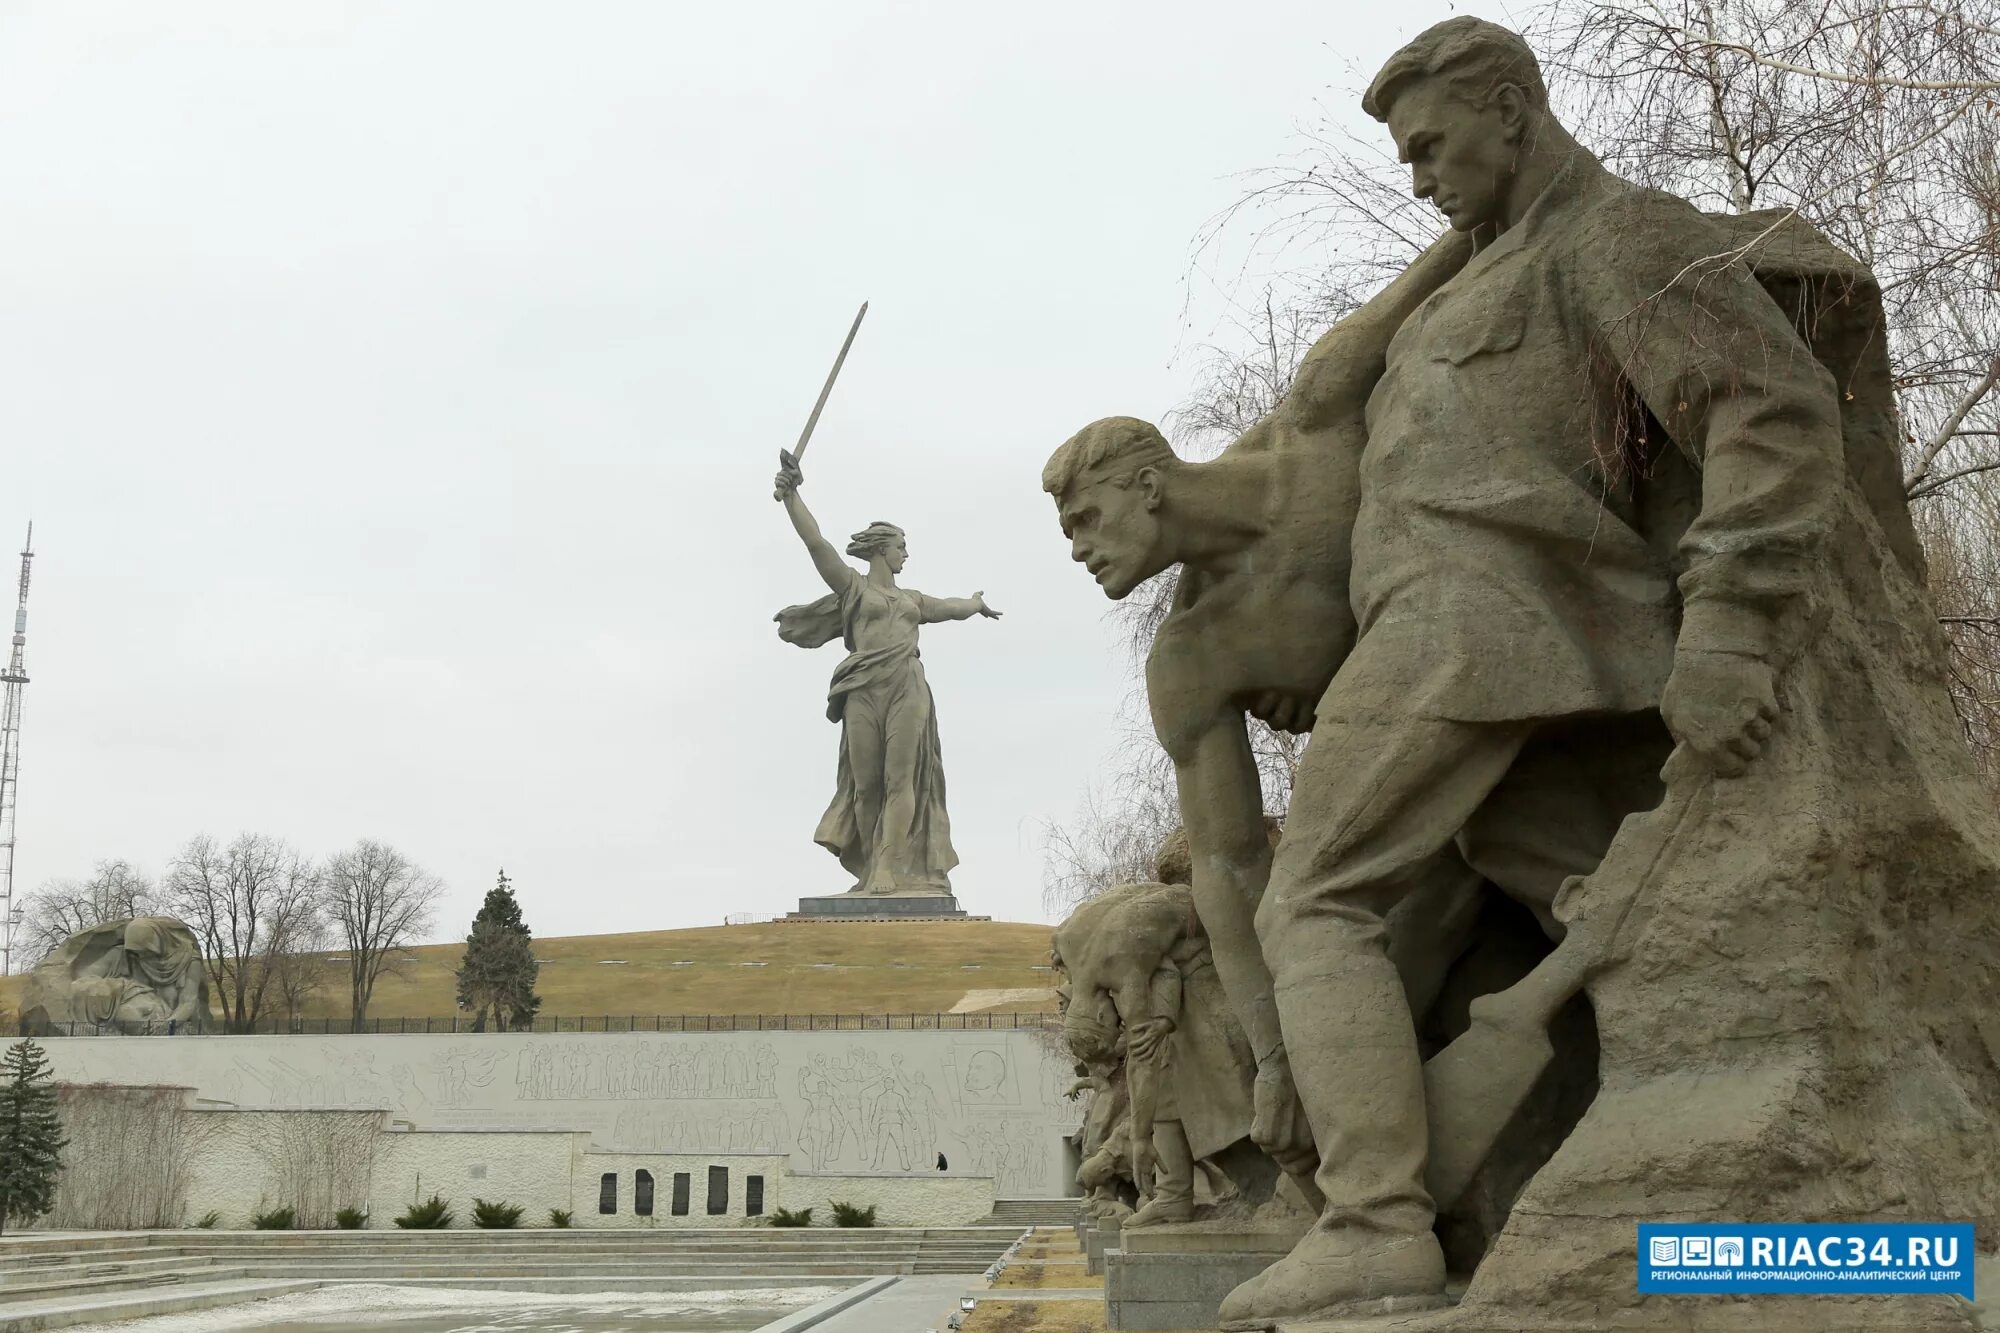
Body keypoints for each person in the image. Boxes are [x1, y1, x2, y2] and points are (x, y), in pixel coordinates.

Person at [1219, 18, 1846, 1326]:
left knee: (1314, 898)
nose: (1417, 177)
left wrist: (1731, 622)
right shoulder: (1480, 268)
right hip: (1457, 647)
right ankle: (1755, 1160)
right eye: (1402, 157)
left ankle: (1376, 1223)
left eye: (1432, 146)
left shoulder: (1616, 234)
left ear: (1511, 107)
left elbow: (1768, 404)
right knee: (1641, 924)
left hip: (1481, 628)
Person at [773, 449, 1000, 895]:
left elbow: (951, 607)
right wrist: (792, 496)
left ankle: (886, 868)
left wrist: (975, 604)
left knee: (902, 779)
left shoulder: (913, 600)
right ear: (881, 549)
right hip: (862, 688)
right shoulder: (854, 588)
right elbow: (817, 545)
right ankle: (867, 869)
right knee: (866, 785)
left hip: (906, 687)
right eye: (900, 547)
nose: (906, 555)